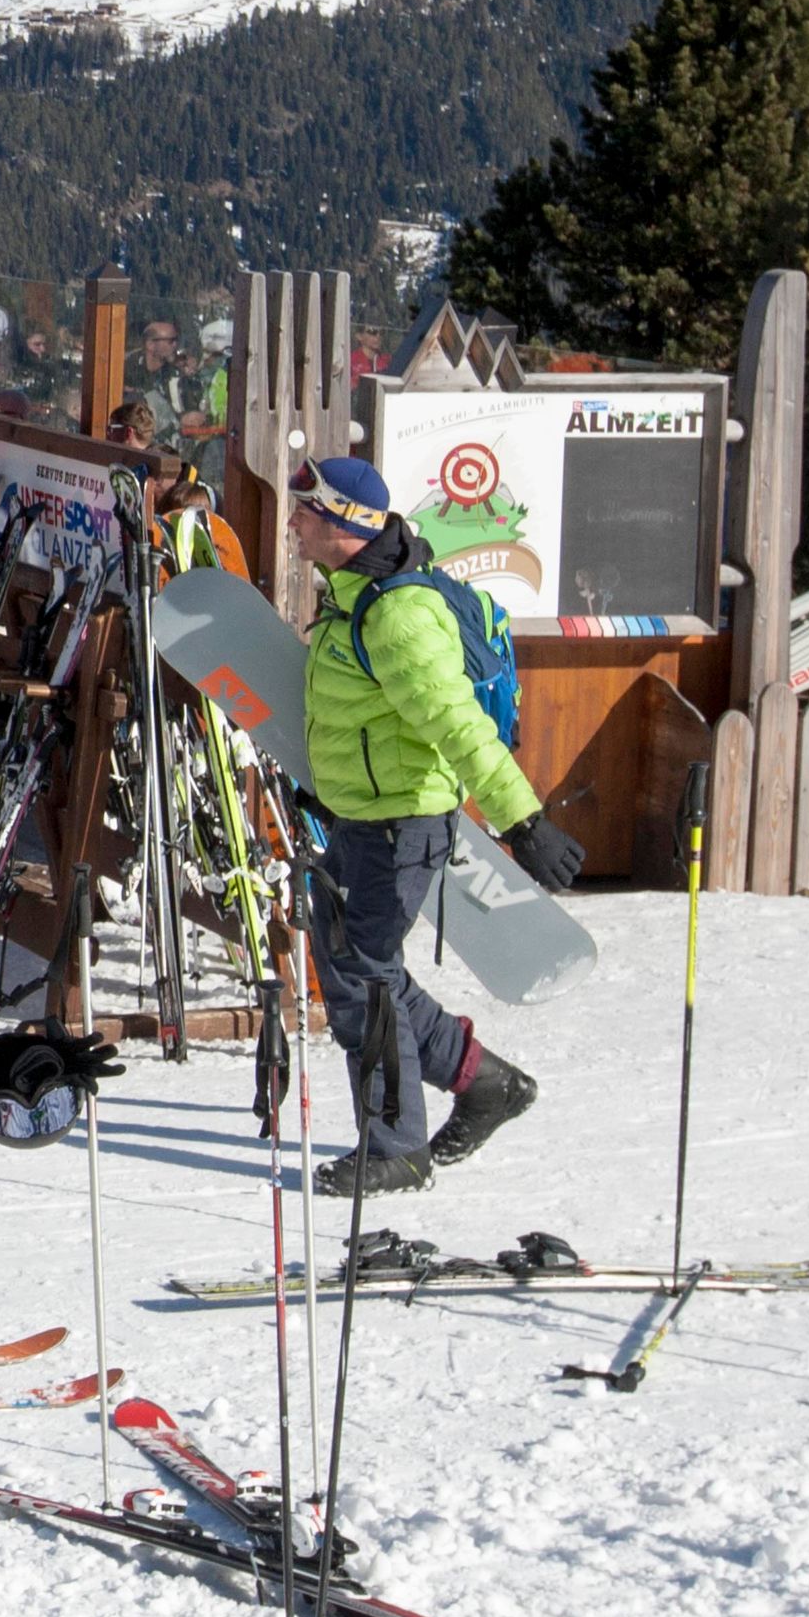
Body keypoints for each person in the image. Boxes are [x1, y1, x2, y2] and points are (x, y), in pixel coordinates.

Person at [290, 456, 586, 1197]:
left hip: (400, 826)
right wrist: (330, 791)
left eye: (304, 511)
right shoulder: (352, 593)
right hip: (362, 815)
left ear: (344, 524)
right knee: (361, 969)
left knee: (365, 981)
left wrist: (524, 822)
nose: (292, 522)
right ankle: (482, 1081)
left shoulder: (397, 615)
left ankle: (397, 1148)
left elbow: (459, 727)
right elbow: (358, 716)